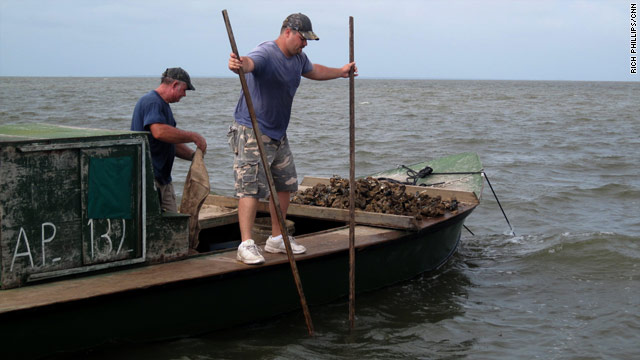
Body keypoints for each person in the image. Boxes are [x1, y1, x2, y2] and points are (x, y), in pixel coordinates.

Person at [227, 13, 357, 265]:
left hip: (277, 132)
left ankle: (277, 238)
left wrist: (341, 72)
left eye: (308, 40)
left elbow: (313, 70)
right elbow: (249, 63)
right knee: (250, 187)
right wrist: (238, 64)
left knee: (286, 184)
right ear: (287, 32)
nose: (305, 44)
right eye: (302, 38)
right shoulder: (266, 52)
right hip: (252, 129)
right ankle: (246, 244)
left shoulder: (298, 58)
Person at [131, 67, 207, 213]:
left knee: (173, 220)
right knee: (153, 222)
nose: (184, 95)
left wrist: (193, 156)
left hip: (163, 178)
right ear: (174, 85)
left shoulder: (163, 105)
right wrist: (193, 136)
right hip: (149, 176)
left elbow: (170, 142)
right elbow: (159, 132)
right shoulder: (152, 102)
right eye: (184, 90)